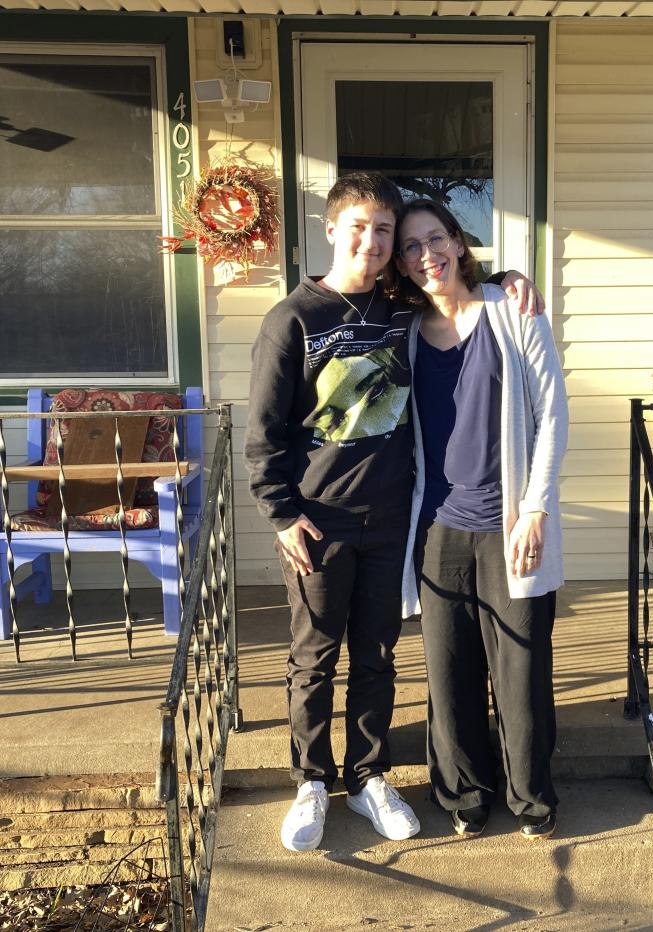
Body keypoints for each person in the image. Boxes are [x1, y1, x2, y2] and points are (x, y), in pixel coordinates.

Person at [245, 172, 542, 853]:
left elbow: (457, 284)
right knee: (314, 655)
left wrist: (513, 276)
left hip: (389, 519)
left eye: (384, 231)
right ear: (330, 231)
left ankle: (370, 775)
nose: (374, 242)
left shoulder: (398, 308)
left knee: (377, 655)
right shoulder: (293, 319)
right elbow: (263, 433)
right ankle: (312, 783)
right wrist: (282, 514)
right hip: (317, 521)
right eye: (360, 228)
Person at [395, 199, 568, 841]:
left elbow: (552, 413)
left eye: (434, 239)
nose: (425, 255)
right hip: (437, 527)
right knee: (449, 668)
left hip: (510, 523)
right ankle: (465, 794)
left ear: (458, 242)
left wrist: (537, 508)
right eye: (410, 246)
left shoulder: (511, 311)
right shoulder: (406, 332)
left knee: (520, 672)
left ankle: (531, 799)